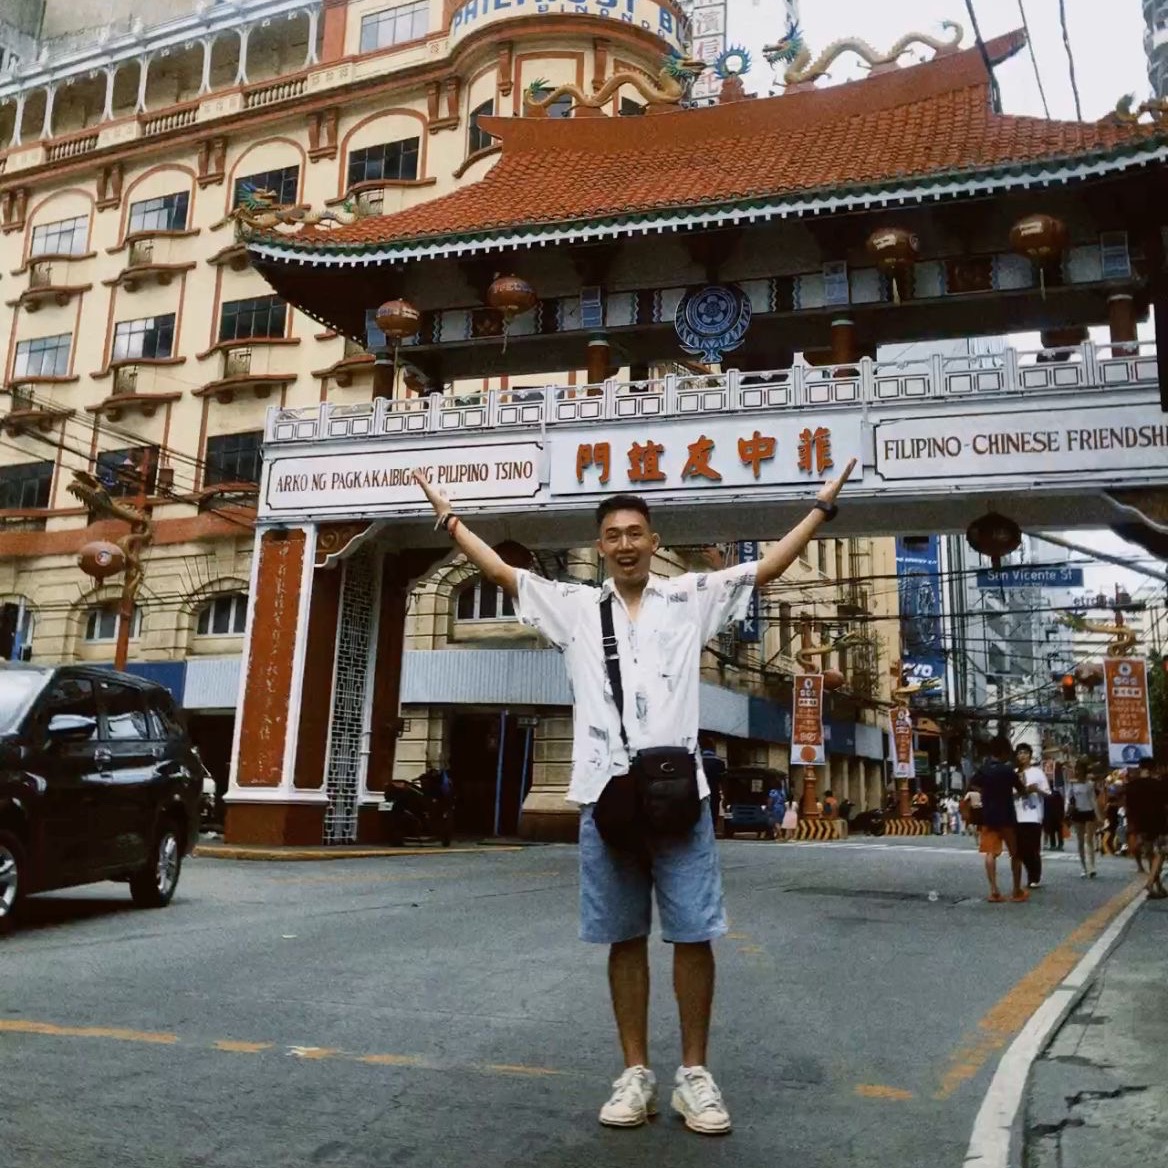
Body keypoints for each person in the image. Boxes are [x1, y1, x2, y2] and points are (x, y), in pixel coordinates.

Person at [413, 459, 855, 1135]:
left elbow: (763, 571)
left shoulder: (690, 598)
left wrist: (822, 508)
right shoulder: (574, 607)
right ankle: (635, 1073)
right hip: (605, 797)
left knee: (693, 935)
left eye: (636, 532)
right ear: (601, 547)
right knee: (624, 938)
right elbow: (504, 575)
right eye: (613, 534)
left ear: (654, 542)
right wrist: (449, 518)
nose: (624, 543)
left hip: (682, 800)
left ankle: (695, 1076)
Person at [968, 738, 1029, 903]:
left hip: (989, 816)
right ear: (1004, 752)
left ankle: (994, 891)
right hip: (1007, 817)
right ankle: (1016, 890)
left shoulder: (984, 770)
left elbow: (973, 784)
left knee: (990, 853)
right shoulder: (1008, 770)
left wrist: (986, 792)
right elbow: (1022, 791)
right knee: (1015, 854)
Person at [1123, 761, 1167, 899]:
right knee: (1161, 853)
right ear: (1154, 769)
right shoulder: (1159, 785)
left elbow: (1127, 808)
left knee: (1151, 855)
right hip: (1158, 824)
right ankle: (1150, 882)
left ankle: (1158, 885)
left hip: (1139, 824)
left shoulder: (1130, 786)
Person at [1013, 744, 1051, 889]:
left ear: (1030, 755)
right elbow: (1010, 793)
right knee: (1020, 849)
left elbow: (1048, 793)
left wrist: (1036, 789)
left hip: (1034, 815)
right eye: (1019, 753)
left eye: (1025, 753)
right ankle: (1030, 872)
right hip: (1017, 815)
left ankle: (1034, 877)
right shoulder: (1014, 772)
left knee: (1033, 848)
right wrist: (1022, 791)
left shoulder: (1037, 772)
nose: (1022, 756)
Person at [1043, 785, 1066, 852]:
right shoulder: (1058, 795)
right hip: (1058, 815)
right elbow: (1062, 805)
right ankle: (1060, 845)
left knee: (1052, 831)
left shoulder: (1046, 795)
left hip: (1050, 816)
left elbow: (1045, 807)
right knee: (1059, 831)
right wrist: (1062, 814)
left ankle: (1053, 845)